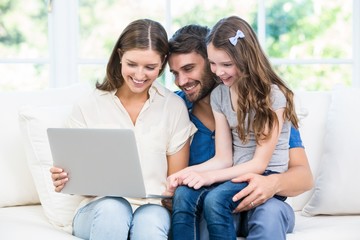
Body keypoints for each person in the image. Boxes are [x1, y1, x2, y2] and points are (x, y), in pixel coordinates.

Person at [166, 17, 312, 240]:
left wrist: (272, 184)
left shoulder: (268, 100)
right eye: (174, 73)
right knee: (204, 208)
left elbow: (304, 177)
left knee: (268, 214)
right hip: (222, 200)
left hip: (265, 199)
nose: (181, 81)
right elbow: (222, 160)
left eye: (189, 68)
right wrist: (182, 179)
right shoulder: (177, 108)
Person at [50, 18, 196, 240]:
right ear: (119, 56)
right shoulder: (89, 105)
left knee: (150, 222)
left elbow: (174, 183)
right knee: (114, 209)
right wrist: (66, 178)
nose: (139, 75)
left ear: (163, 63)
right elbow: (81, 182)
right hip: (99, 207)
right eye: (132, 64)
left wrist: (169, 194)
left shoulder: (173, 107)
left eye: (150, 67)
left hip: (153, 208)